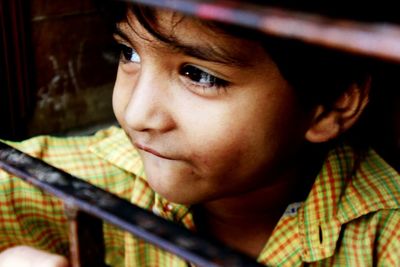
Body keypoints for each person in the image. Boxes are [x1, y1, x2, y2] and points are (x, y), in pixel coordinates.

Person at [0, 1, 399, 266]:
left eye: (200, 75)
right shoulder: (101, 176)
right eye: (129, 53)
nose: (137, 114)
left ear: (331, 104)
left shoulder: (384, 237)